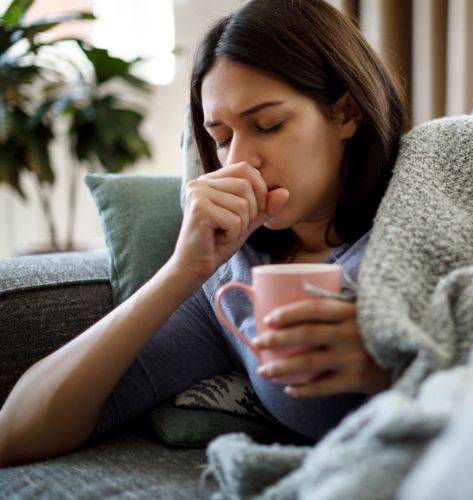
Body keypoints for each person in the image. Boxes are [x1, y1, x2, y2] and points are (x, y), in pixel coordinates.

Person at [0, 0, 408, 467]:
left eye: (268, 125)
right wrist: (181, 271)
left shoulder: (427, 214)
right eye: (221, 137)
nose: (238, 161)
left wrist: (395, 366)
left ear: (347, 113)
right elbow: (15, 434)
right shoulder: (232, 282)